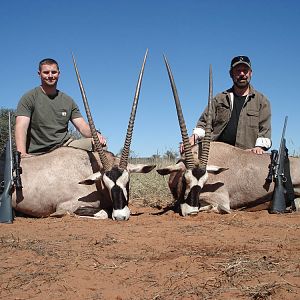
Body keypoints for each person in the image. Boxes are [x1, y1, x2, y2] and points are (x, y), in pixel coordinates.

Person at [15, 58, 107, 157]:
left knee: (101, 146)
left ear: (59, 73)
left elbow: (82, 127)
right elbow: (21, 126)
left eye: (53, 72)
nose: (50, 76)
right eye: (46, 72)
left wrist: (96, 134)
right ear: (39, 74)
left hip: (65, 146)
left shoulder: (68, 101)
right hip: (39, 151)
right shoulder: (29, 97)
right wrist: (22, 154)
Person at [187, 55, 271, 155]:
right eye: (238, 70)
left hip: (247, 156)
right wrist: (193, 137)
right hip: (218, 154)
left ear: (251, 73)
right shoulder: (219, 99)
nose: (242, 74)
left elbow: (264, 130)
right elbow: (204, 123)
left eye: (245, 70)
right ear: (231, 74)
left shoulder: (262, 101)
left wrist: (259, 147)